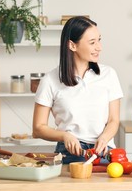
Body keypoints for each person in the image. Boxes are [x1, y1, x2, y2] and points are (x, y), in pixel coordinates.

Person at [32, 16, 123, 164]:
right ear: (72, 45)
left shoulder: (109, 74)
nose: (99, 47)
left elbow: (114, 120)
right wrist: (64, 136)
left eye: (99, 40)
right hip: (70, 152)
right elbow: (38, 128)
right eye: (92, 42)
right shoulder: (50, 80)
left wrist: (104, 138)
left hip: (104, 150)